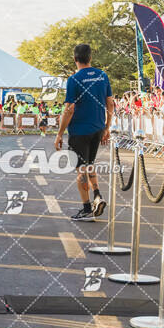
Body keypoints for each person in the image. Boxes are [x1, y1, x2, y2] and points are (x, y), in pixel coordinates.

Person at [54, 44, 114, 221]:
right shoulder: (102, 76)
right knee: (89, 164)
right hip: (97, 128)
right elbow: (110, 103)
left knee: (81, 169)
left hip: (79, 130)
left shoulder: (74, 79)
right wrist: (107, 126)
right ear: (90, 58)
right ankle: (97, 195)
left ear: (75, 59)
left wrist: (59, 133)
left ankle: (87, 209)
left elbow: (69, 109)